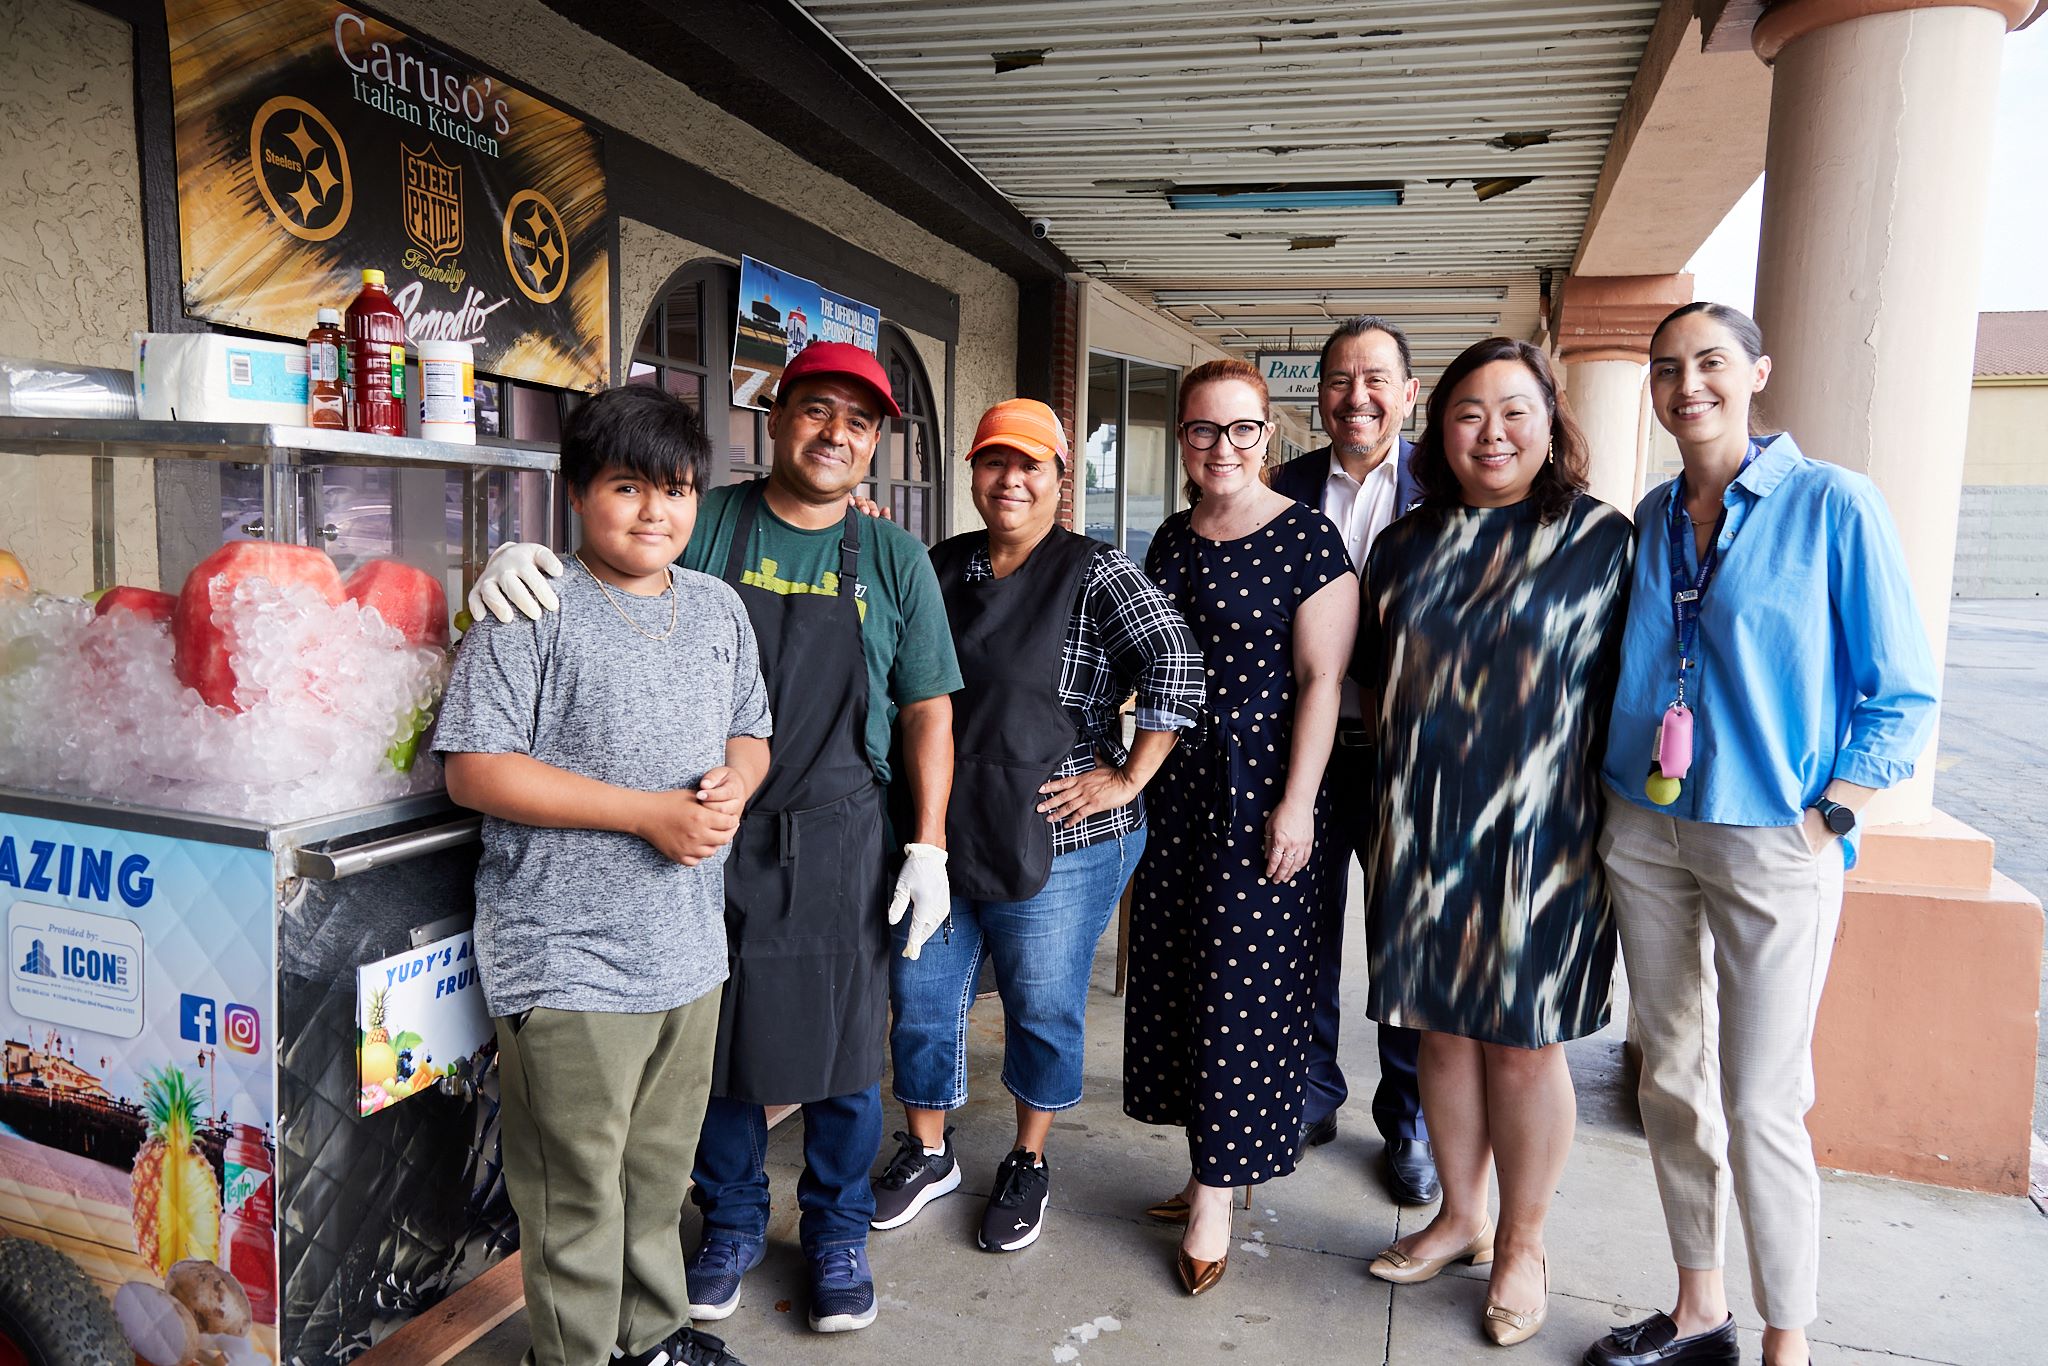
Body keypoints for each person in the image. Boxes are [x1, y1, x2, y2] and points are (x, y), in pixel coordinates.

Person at [466, 342, 962, 1338]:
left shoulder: (895, 554)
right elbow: (617, 577)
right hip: (694, 840)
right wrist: (516, 558)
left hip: (834, 828)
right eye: (815, 411)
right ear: (772, 419)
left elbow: (926, 711)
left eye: (858, 422)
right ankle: (728, 1222)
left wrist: (929, 842)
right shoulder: (711, 516)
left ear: (873, 445)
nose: (834, 435)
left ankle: (834, 1230)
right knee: (719, 1054)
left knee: (839, 1050)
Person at [1583, 304, 1938, 1366]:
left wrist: (1833, 811)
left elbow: (1902, 690)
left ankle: (1787, 1340)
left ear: (1755, 373)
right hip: (1644, 827)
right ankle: (1699, 1310)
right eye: (1665, 368)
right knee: (1669, 1077)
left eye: (1708, 362)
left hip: (1769, 838)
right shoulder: (1648, 514)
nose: (1685, 383)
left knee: (1760, 1099)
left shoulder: (1832, 503)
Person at [434, 385, 769, 1366]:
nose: (655, 511)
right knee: (574, 1184)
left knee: (660, 1172)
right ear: (577, 493)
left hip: (687, 950)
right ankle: (576, 1355)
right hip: (567, 956)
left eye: (676, 490)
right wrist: (648, 814)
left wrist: (733, 785)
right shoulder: (531, 605)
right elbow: (474, 769)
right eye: (628, 487)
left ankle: (653, 1337)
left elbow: (751, 727)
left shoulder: (715, 607)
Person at [871, 399, 1203, 1253]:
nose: (1010, 479)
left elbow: (1177, 659)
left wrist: (1130, 777)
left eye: (1032, 466)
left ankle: (1027, 1157)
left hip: (1064, 835)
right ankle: (931, 1150)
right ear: (973, 474)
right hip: (941, 829)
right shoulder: (936, 567)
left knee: (1042, 1003)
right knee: (920, 997)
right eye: (994, 463)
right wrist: (859, 524)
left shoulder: (1098, 573)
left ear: (1062, 482)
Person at [1354, 338, 1632, 1348]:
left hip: (1544, 832)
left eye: (1513, 410)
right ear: (1440, 430)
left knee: (1522, 1045)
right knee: (1437, 1032)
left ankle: (1521, 1241)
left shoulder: (1602, 541)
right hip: (1419, 822)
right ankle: (1459, 1215)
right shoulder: (1401, 545)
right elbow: (1379, 682)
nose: (1490, 433)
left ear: (1551, 422)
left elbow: (1633, 688)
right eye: (1468, 413)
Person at [1122, 359, 1357, 1295]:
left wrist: (1297, 802)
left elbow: (1323, 684)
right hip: (1178, 787)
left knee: (1244, 990)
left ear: (1270, 435)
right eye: (1203, 431)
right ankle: (1201, 1166)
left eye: (1242, 430)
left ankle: (1221, 1193)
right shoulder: (1173, 538)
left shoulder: (1309, 538)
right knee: (1180, 975)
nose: (1222, 448)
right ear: (1181, 439)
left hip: (1263, 789)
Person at [1265, 315, 1437, 1206]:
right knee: (1303, 926)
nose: (1356, 396)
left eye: (1377, 380)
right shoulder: (1283, 485)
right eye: (1338, 379)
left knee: (1404, 939)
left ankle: (1407, 1119)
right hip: (1308, 748)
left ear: (1410, 394)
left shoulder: (1449, 488)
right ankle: (1311, 1090)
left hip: (1412, 753)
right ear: (1318, 394)